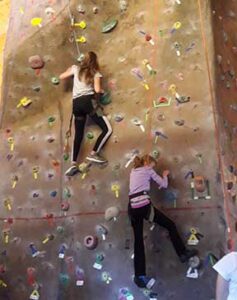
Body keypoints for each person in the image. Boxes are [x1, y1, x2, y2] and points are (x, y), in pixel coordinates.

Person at [128, 154, 197, 289]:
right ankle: (182, 253)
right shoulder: (148, 169)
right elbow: (164, 184)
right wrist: (164, 175)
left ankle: (139, 276)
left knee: (138, 242)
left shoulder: (133, 171)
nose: (153, 168)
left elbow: (140, 185)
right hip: (144, 207)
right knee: (170, 225)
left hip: (132, 207)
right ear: (148, 163)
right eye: (153, 166)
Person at [59, 51, 113, 176]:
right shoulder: (96, 73)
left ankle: (73, 164)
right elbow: (98, 90)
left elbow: (61, 76)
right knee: (107, 129)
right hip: (90, 103)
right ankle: (94, 154)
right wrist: (103, 90)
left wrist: (70, 69)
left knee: (78, 134)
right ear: (95, 61)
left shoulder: (75, 68)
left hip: (76, 105)